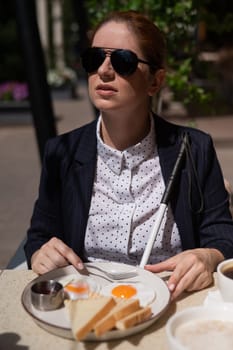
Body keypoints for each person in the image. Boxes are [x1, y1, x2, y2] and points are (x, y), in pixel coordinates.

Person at [24, 10, 233, 300]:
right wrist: (39, 253)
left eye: (123, 61)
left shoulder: (194, 148)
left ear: (155, 82)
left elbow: (223, 234)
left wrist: (208, 256)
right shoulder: (62, 153)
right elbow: (38, 236)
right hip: (87, 305)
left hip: (172, 302)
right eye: (94, 58)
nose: (104, 71)